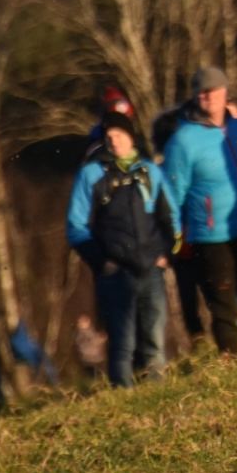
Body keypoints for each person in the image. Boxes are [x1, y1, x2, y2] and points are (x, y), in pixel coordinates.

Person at [66, 112, 177, 385]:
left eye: (120, 135)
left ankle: (156, 396)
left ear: (131, 137)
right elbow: (75, 225)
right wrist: (101, 261)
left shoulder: (149, 172)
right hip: (115, 273)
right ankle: (124, 400)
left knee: (154, 340)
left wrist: (165, 254)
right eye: (109, 137)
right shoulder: (91, 174)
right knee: (122, 343)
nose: (114, 141)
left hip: (151, 268)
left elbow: (170, 218)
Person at [164, 67, 237, 353]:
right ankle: (232, 364)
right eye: (201, 92)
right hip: (212, 235)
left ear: (225, 93)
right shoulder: (184, 140)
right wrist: (173, 235)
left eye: (213, 90)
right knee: (223, 306)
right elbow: (172, 194)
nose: (207, 96)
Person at [73, 313, 107, 383]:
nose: (82, 324)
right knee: (91, 377)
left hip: (96, 359)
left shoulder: (91, 331)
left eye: (84, 322)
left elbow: (95, 340)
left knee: (98, 377)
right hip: (89, 359)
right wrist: (101, 339)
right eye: (80, 322)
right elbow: (92, 341)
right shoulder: (80, 334)